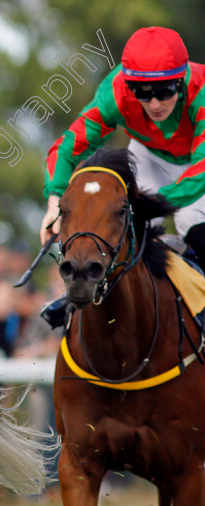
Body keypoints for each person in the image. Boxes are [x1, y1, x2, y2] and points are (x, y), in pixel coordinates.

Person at [39, 26, 205, 326]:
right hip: (150, 155)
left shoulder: (202, 89)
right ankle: (80, 295)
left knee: (189, 220)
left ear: (182, 81)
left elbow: (199, 172)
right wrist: (54, 202)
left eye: (165, 91)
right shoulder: (115, 92)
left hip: (199, 163)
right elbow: (66, 148)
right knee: (121, 224)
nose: (154, 104)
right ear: (129, 85)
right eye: (143, 93)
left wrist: (148, 202)